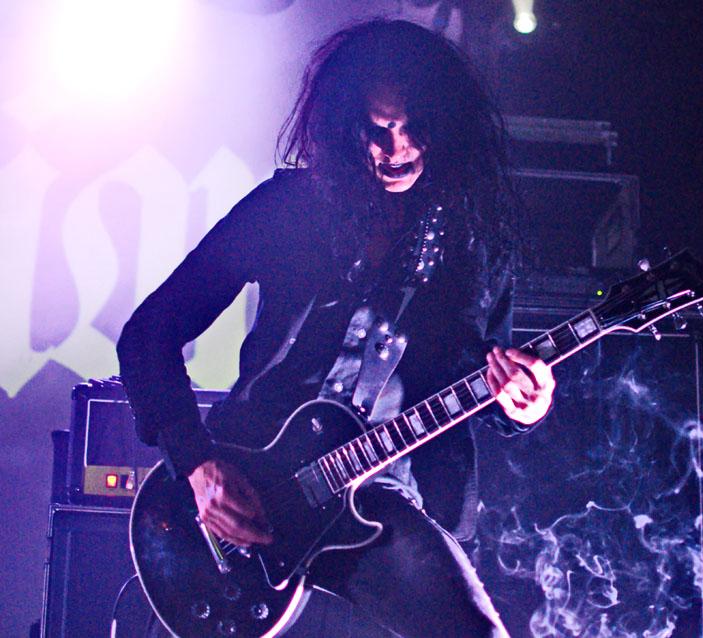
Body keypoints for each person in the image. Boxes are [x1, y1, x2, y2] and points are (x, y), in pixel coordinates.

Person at [116, 19, 555, 638]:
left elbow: (487, 376)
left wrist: (525, 403)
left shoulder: (478, 242)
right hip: (250, 483)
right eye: (377, 130)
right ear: (344, 127)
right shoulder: (288, 210)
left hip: (379, 494)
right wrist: (196, 464)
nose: (396, 149)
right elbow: (149, 333)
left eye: (415, 128)